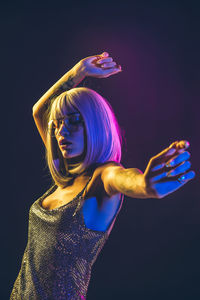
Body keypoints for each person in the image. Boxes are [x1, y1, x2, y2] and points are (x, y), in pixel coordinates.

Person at [10, 52, 195, 300]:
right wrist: (78, 72)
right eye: (58, 124)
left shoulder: (101, 178)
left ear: (94, 125)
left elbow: (125, 179)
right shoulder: (64, 179)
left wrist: (144, 184)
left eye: (74, 121)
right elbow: (40, 110)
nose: (62, 131)